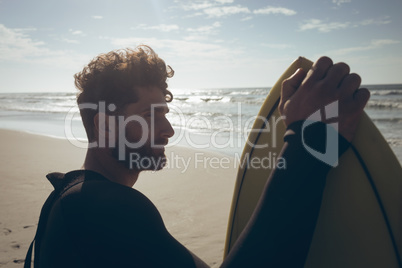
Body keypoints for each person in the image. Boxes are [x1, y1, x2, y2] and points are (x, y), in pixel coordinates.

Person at [25, 45, 370, 267]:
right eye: (150, 115)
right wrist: (311, 142)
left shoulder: (65, 201)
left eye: (165, 113)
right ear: (104, 126)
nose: (169, 130)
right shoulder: (98, 208)